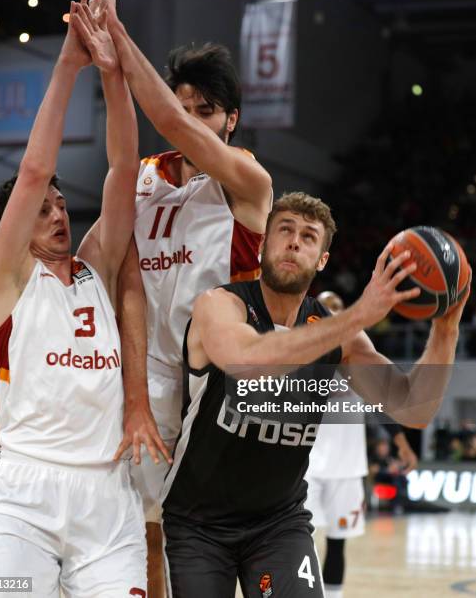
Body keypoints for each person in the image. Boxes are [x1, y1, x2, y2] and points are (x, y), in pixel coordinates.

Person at [161, 192, 469, 598]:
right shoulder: (221, 305)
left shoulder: (340, 335)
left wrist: (446, 329)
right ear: (263, 244)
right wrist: (361, 312)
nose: (294, 242)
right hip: (197, 523)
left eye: (309, 237)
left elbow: (413, 407)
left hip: (278, 522)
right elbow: (248, 360)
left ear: (322, 259)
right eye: (284, 230)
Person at [76, 0, 273, 594]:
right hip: (150, 369)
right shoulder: (139, 178)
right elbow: (92, 257)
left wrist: (115, 32)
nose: (189, 119)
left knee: (225, 530)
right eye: (183, 105)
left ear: (230, 120)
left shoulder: (247, 182)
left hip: (222, 376)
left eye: (204, 110)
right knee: (149, 531)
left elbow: (162, 120)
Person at [0, 0, 147, 597]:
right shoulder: (7, 276)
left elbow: (124, 170)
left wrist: (111, 71)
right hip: (27, 494)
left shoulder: (96, 265)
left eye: (60, 203)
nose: (57, 213)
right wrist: (67, 66)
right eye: (42, 208)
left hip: (108, 497)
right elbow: (31, 171)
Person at [306, 291, 418, 598]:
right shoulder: (299, 348)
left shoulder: (358, 350)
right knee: (299, 542)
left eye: (337, 306)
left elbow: (379, 404)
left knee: (338, 542)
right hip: (305, 466)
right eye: (325, 305)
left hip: (347, 466)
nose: (331, 310)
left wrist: (401, 443)